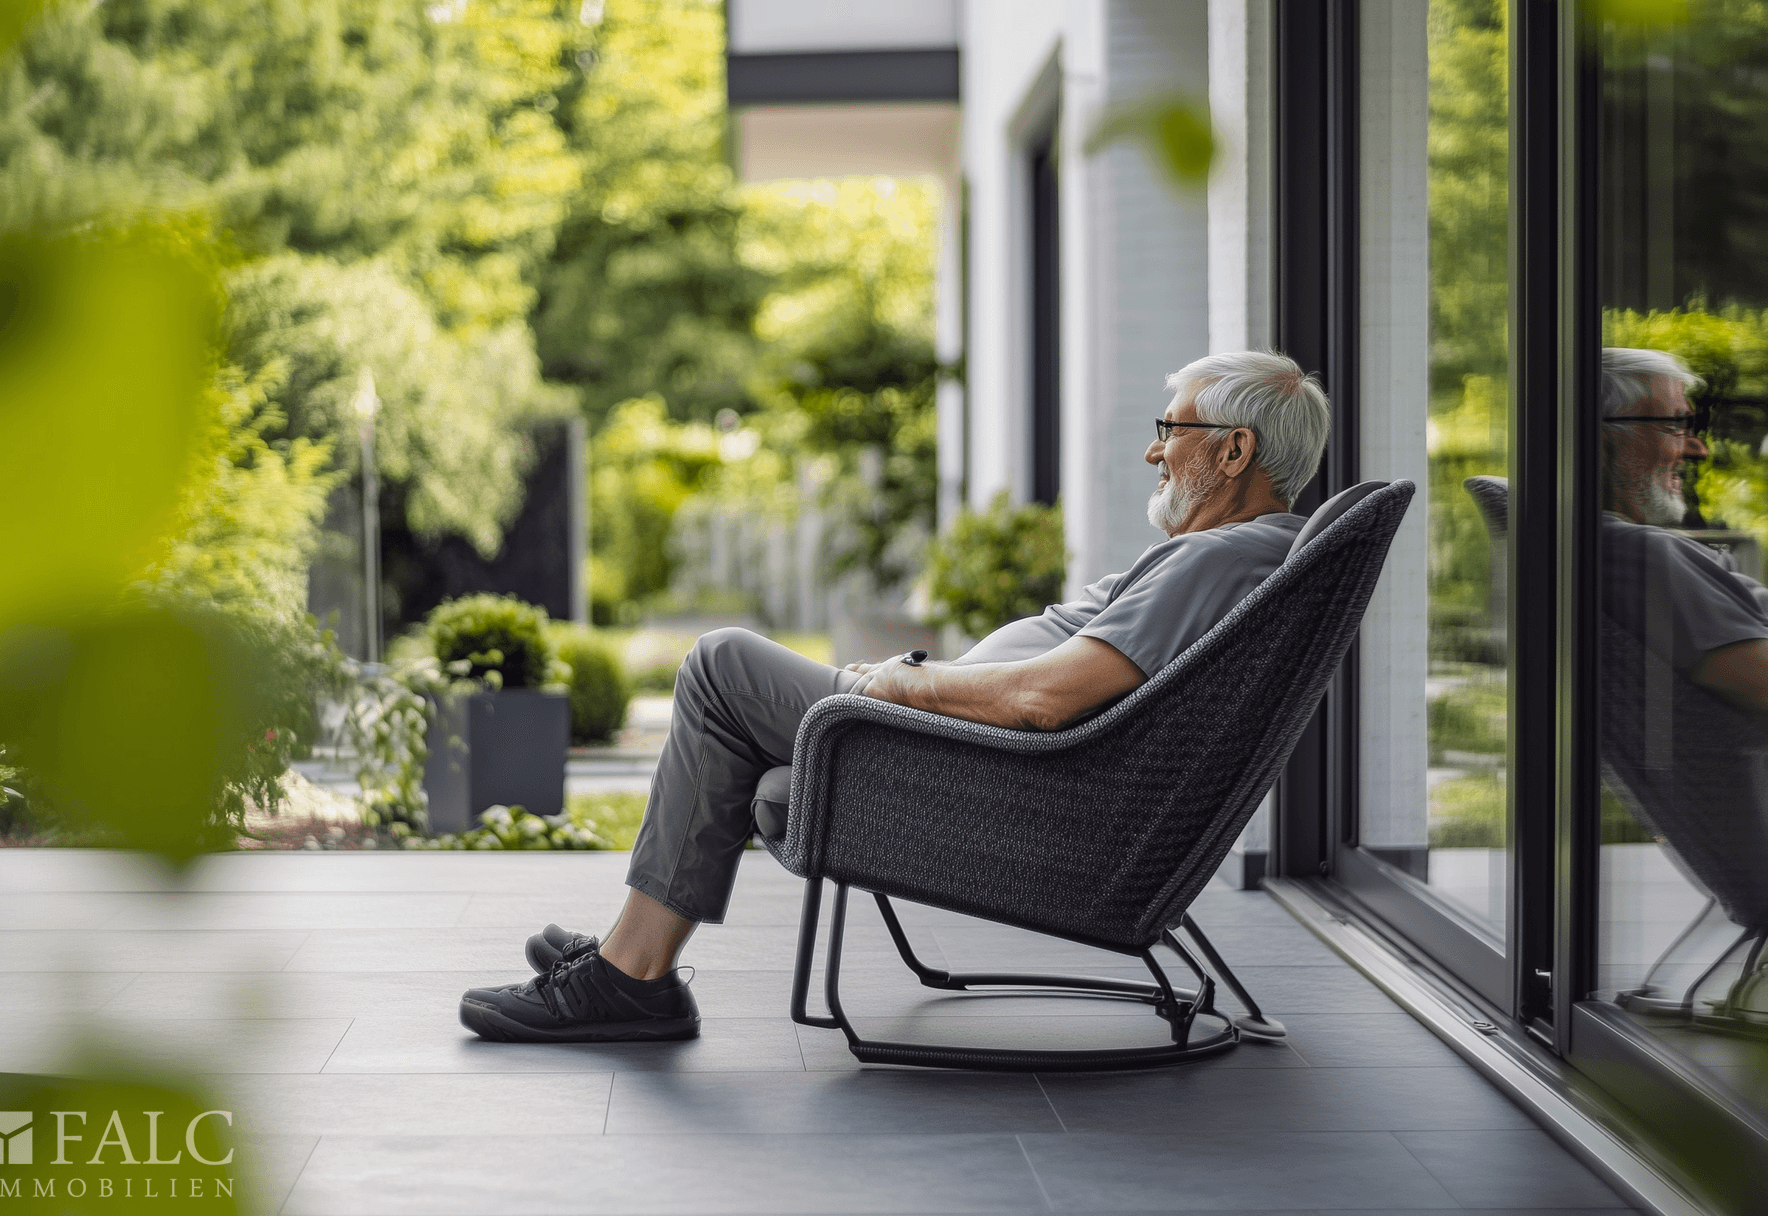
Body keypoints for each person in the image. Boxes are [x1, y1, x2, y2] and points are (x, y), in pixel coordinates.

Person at [458, 350, 1332, 1043]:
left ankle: (631, 972)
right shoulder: (1242, 555)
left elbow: (1046, 698)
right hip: (974, 749)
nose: (1153, 450)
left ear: (1234, 450)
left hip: (984, 766)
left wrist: (910, 682)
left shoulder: (1219, 557)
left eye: (1171, 428)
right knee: (748, 736)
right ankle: (633, 962)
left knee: (721, 664)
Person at [1598, 347, 1768, 714]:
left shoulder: (1598, 545)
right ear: (1597, 441)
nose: (1697, 448)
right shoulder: (1640, 553)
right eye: (1674, 425)